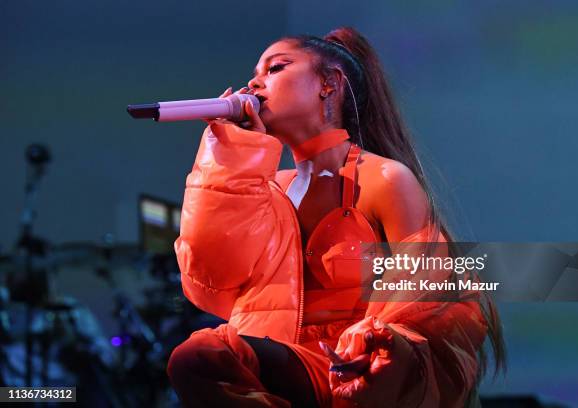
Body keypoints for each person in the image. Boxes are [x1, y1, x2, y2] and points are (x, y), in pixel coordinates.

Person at [166, 27, 505, 407]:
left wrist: (380, 345)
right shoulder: (260, 187)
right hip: (281, 365)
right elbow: (210, 282)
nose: (254, 82)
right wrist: (232, 158)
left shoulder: (384, 179)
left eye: (275, 67)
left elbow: (429, 296)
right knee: (198, 356)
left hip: (353, 377)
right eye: (255, 72)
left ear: (329, 83)